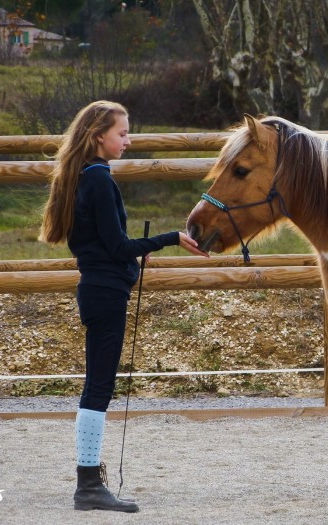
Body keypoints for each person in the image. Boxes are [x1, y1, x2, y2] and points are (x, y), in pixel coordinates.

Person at [39, 100, 208, 512]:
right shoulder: (99, 180)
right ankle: (88, 486)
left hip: (98, 289)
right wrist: (168, 238)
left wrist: (135, 253)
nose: (128, 141)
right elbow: (115, 246)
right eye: (122, 133)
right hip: (104, 293)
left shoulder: (86, 176)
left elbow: (102, 245)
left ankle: (89, 481)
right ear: (100, 136)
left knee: (98, 384)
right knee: (99, 387)